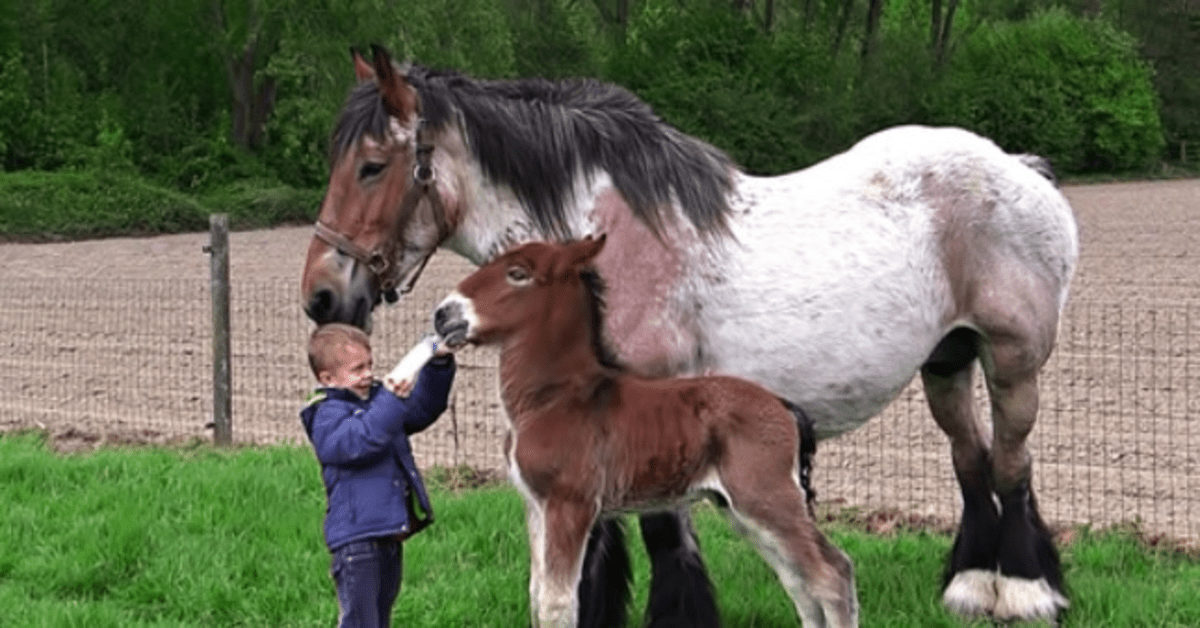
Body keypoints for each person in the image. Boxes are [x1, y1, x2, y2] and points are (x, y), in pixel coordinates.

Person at [301, 323, 456, 628]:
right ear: (327, 379)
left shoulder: (377, 402)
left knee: (379, 619)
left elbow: (423, 408)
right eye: (357, 369)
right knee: (360, 622)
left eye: (370, 365)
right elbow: (361, 441)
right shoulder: (326, 414)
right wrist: (390, 399)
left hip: (387, 535)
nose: (368, 374)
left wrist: (437, 363)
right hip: (357, 542)